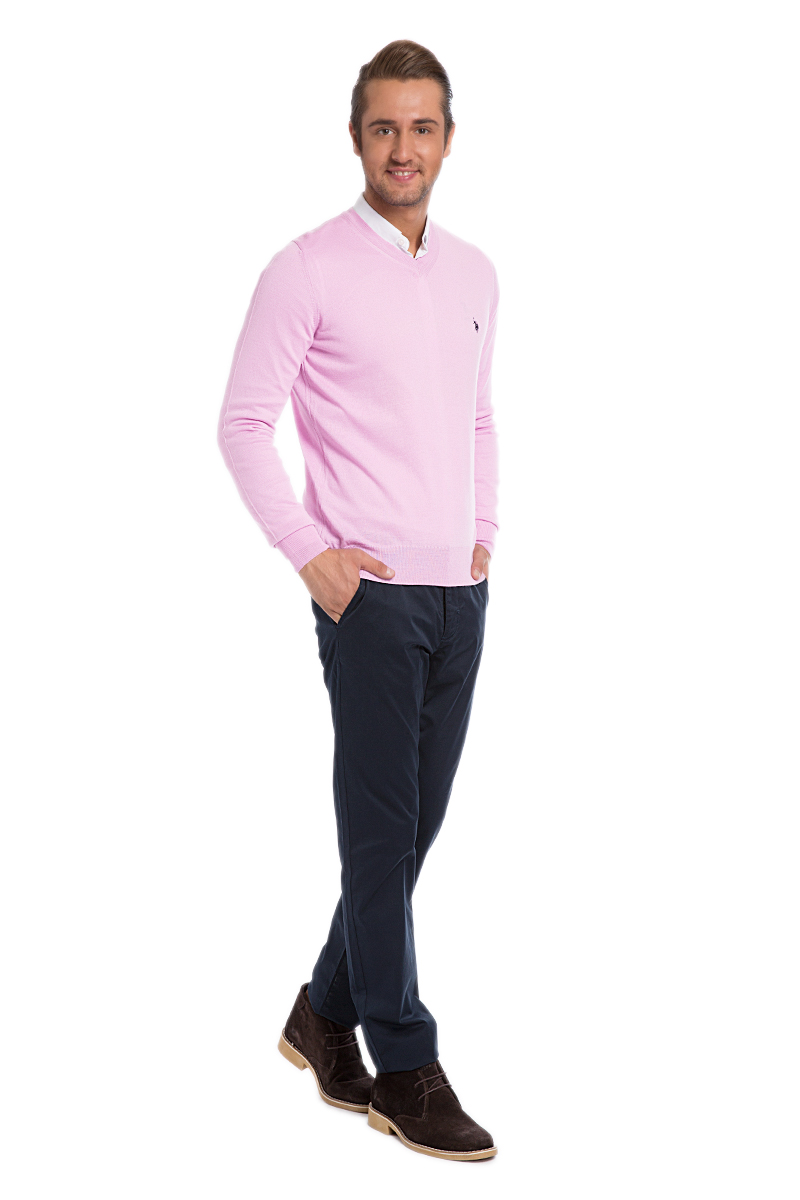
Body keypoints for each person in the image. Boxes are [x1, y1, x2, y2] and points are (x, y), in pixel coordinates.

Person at [217, 39, 500, 1162]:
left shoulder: (476, 273)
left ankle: (321, 1014)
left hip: (461, 594)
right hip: (370, 601)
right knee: (380, 834)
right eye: (384, 128)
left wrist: (484, 537)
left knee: (411, 831)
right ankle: (404, 1066)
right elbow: (242, 423)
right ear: (355, 138)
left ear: (448, 139)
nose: (403, 148)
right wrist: (310, 555)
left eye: (422, 127)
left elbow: (476, 414)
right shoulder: (306, 269)